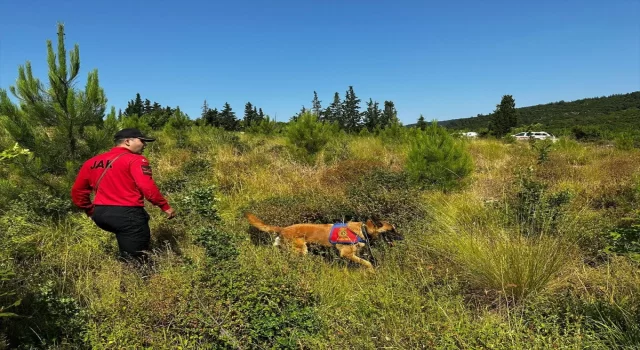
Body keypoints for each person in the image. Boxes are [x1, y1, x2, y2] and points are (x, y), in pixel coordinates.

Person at [71, 128, 176, 262]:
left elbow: (78, 191)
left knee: (127, 246)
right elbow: (147, 187)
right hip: (128, 214)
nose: (145, 144)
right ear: (127, 141)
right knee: (137, 261)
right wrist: (165, 206)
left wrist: (90, 210)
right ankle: (136, 280)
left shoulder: (92, 162)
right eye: (142, 141)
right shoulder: (135, 160)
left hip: (101, 214)